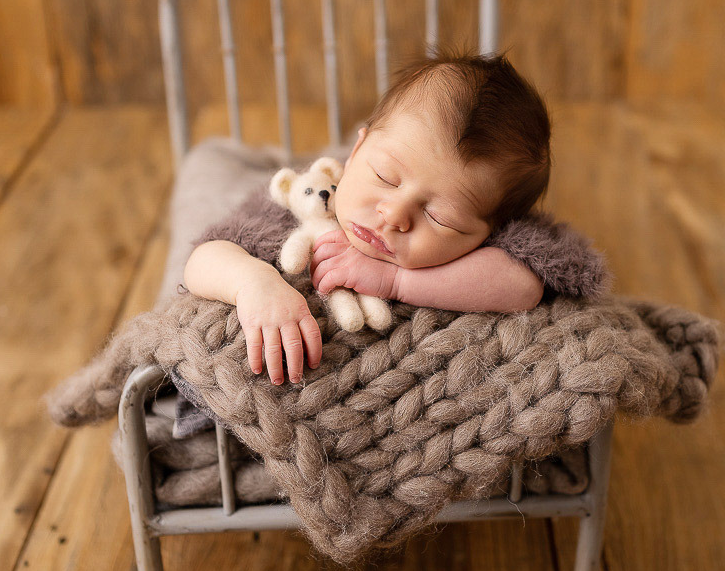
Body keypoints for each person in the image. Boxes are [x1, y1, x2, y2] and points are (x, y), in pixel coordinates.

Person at [183, 48, 611, 387]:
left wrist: (396, 281)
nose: (394, 216)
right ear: (356, 152)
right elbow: (205, 257)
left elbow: (523, 286)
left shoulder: (497, 249)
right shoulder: (308, 202)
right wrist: (253, 283)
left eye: (441, 218)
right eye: (386, 177)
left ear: (489, 233)